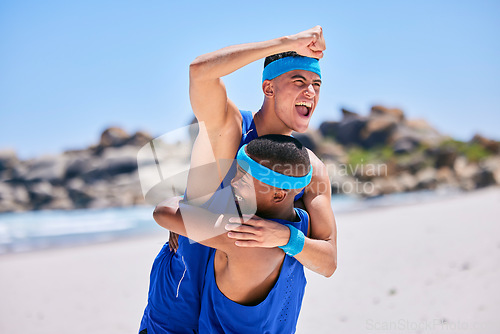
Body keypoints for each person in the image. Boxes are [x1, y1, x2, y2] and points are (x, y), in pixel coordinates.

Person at [139, 25, 337, 333]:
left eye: (316, 84)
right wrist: (286, 43)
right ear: (268, 88)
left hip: (256, 321)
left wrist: (284, 237)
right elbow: (200, 71)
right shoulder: (230, 129)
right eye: (299, 81)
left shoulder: (309, 168)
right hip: (178, 308)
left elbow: (327, 261)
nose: (310, 91)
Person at [154, 135, 313, 333]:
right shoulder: (304, 223)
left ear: (279, 194)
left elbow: (163, 212)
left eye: (243, 181)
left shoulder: (243, 235)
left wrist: (184, 201)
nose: (233, 183)